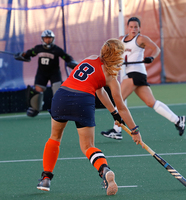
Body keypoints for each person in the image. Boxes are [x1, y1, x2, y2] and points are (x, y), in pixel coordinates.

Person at [36, 38, 144, 196]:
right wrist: (134, 131)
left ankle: (46, 178)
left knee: (55, 137)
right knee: (87, 146)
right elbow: (122, 107)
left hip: (62, 96)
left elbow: (99, 90)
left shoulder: (90, 58)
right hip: (82, 101)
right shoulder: (112, 77)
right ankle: (104, 169)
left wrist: (113, 113)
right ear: (118, 56)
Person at [101, 17, 186, 140]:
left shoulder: (141, 39)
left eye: (136, 27)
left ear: (139, 28)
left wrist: (151, 57)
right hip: (131, 74)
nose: (133, 29)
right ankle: (178, 120)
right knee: (151, 102)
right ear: (127, 27)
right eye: (131, 27)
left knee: (119, 100)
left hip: (136, 73)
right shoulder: (121, 39)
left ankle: (117, 130)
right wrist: (116, 63)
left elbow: (156, 49)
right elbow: (118, 54)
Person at [14, 30, 78, 117]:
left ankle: (61, 109)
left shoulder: (57, 50)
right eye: (46, 38)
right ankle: (35, 108)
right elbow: (30, 53)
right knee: (38, 90)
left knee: (58, 91)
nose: (48, 40)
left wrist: (72, 62)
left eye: (49, 38)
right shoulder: (38, 48)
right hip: (42, 73)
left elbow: (66, 57)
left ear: (53, 39)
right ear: (42, 39)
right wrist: (23, 55)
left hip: (54, 73)